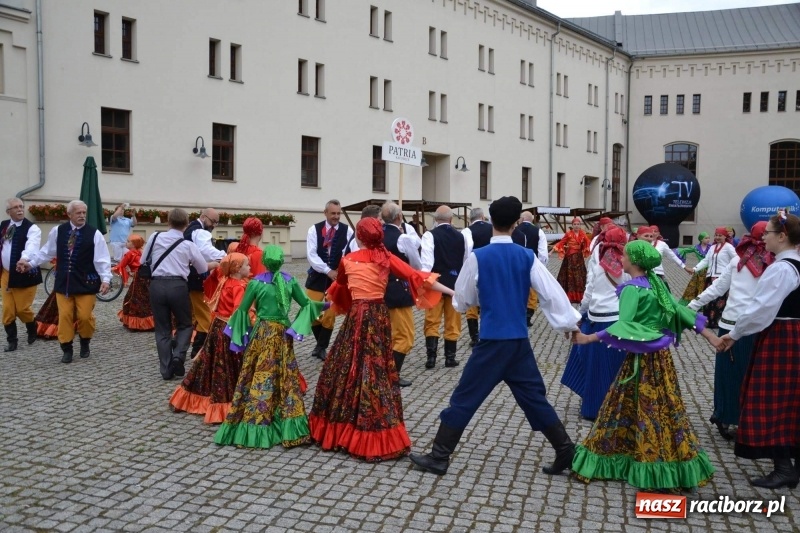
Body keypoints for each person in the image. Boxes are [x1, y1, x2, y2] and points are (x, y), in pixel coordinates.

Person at [409, 196, 582, 476]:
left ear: (491, 220)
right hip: (518, 343)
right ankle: (565, 450)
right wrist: (570, 325)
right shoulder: (526, 257)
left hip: (492, 342)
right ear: (516, 223)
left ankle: (440, 456)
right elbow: (551, 294)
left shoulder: (479, 257)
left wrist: (480, 295)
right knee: (534, 398)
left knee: (465, 396)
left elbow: (463, 300)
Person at [571, 240, 719, 491]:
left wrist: (588, 338)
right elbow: (679, 311)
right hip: (661, 359)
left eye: (626, 256)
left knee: (629, 406)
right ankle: (671, 458)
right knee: (664, 406)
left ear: (635, 262)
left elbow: (624, 325)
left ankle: (635, 458)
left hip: (640, 360)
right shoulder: (656, 283)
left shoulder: (632, 289)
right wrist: (711, 336)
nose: (622, 259)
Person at [309, 218, 453, 462]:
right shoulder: (386, 258)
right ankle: (369, 426)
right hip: (377, 317)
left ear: (360, 238)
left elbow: (341, 287)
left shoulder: (348, 260)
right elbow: (418, 276)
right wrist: (453, 291)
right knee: (374, 369)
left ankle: (339, 424)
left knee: (347, 364)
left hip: (356, 316)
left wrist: (331, 304)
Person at [718, 211, 800, 489]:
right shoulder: (795, 264)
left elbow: (760, 309)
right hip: (793, 334)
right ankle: (791, 464)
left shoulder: (782, 268)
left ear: (782, 236)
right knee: (792, 398)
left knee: (772, 397)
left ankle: (783, 468)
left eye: (768, 232)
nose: (763, 237)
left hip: (782, 335)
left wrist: (735, 333)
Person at [214, 245, 326, 449]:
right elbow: (307, 304)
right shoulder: (290, 281)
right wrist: (321, 307)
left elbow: (242, 311)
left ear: (264, 262)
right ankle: (289, 423)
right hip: (283, 335)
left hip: (262, 333)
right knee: (285, 376)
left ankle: (256, 424)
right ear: (282, 261)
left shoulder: (255, 283)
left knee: (259, 374)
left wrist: (238, 335)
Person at [689, 222, 773, 440]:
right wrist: (692, 305)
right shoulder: (772, 263)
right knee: (750, 375)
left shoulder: (739, 259)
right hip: (753, 326)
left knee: (729, 373)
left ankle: (725, 416)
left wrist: (692, 305)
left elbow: (717, 288)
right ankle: (740, 419)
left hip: (731, 324)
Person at [18, 200, 111, 363]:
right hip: (64, 283)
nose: (82, 216)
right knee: (65, 316)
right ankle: (66, 347)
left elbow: (102, 259)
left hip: (86, 283)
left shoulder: (94, 234)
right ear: (69, 214)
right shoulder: (58, 231)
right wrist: (30, 264)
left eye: (84, 213)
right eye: (78, 213)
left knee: (84, 316)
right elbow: (47, 252)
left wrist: (106, 279)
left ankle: (85, 341)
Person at [170, 253, 250, 424]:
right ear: (237, 269)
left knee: (211, 361)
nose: (249, 268)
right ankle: (224, 403)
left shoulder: (225, 281)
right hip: (229, 329)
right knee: (227, 363)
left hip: (217, 327)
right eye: (246, 266)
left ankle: (195, 394)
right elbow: (238, 311)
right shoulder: (238, 287)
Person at [561, 227, 629, 421]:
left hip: (595, 319)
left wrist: (580, 313)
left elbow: (588, 294)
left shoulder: (599, 265)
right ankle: (615, 408)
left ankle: (593, 407)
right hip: (616, 321)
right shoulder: (627, 266)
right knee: (613, 368)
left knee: (594, 367)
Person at [142, 208, 217, 380]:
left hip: (156, 284)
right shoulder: (188, 245)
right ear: (186, 224)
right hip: (178, 286)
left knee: (162, 329)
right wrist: (216, 263)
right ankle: (178, 356)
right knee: (184, 324)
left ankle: (166, 369)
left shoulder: (154, 237)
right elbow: (202, 268)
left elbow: (142, 261)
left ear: (168, 222)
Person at [381, 201, 422, 387]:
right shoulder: (402, 238)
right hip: (398, 290)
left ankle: (385, 371)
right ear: (399, 217)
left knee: (388, 334)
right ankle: (392, 375)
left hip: (380, 289)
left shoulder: (376, 235)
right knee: (404, 336)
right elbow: (415, 265)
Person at [421, 205, 468, 369]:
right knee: (453, 322)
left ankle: (431, 358)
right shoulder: (462, 236)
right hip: (455, 283)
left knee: (432, 321)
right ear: (451, 219)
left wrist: (425, 282)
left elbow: (426, 265)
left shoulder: (429, 235)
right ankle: (450, 357)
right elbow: (465, 261)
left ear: (435, 220)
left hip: (435, 283)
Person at [305, 199, 353, 360]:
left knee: (329, 314)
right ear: (325, 213)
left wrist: (341, 268)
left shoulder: (347, 231)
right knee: (312, 313)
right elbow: (311, 254)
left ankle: (321, 347)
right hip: (317, 278)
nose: (336, 216)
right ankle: (320, 346)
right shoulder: (314, 229)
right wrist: (327, 270)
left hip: (336, 280)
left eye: (339, 213)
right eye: (333, 213)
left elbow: (350, 251)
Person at [1, 197, 42, 352]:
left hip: (24, 273)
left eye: (21, 206)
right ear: (8, 212)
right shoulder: (4, 226)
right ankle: (12, 340)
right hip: (6, 274)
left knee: (22, 309)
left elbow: (32, 246)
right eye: (16, 207)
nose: (19, 209)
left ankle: (32, 326)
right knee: (8, 310)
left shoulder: (32, 228)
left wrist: (24, 259)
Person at [185, 208, 226, 358]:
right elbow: (206, 250)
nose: (214, 225)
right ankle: (198, 351)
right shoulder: (200, 232)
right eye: (213, 221)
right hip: (195, 279)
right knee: (204, 316)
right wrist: (226, 256)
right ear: (203, 217)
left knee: (193, 316)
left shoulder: (190, 229)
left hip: (186, 277)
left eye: (216, 222)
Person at [687, 227, 736, 329]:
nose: (717, 237)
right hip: (710, 276)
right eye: (716, 235)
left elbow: (736, 260)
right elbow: (706, 260)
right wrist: (695, 269)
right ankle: (708, 320)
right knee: (708, 300)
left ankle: (716, 321)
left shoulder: (729, 247)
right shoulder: (712, 247)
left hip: (722, 277)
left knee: (719, 301)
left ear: (725, 236)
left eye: (720, 235)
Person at [512, 211, 550, 327]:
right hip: (532, 264)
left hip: (516, 265)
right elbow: (543, 253)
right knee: (532, 292)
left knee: (517, 289)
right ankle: (528, 316)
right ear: (532, 220)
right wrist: (541, 267)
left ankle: (517, 313)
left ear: (522, 219)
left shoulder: (514, 231)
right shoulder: (539, 232)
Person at [461, 208, 493, 346]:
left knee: (472, 305)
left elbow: (467, 252)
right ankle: (488, 334)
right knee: (488, 302)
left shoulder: (467, 231)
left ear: (470, 218)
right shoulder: (492, 228)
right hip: (491, 270)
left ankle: (475, 337)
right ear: (482, 217)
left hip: (473, 269)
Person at [115, 234, 154, 331]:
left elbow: (121, 265)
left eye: (128, 241)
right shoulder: (143, 252)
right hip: (147, 279)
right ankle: (150, 323)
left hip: (138, 279)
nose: (126, 243)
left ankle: (136, 323)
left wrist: (113, 269)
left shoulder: (130, 254)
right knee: (147, 299)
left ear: (134, 244)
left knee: (133, 299)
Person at [550, 217, 591, 303]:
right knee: (570, 276)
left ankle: (580, 295)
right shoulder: (568, 234)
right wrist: (551, 251)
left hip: (579, 258)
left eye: (578, 224)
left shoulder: (583, 234)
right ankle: (568, 295)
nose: (576, 226)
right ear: (572, 225)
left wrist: (594, 248)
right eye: (575, 224)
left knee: (579, 276)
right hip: (570, 258)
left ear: (580, 225)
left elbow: (588, 242)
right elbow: (561, 243)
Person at [675, 232, 711, 304]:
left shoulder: (711, 247)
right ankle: (692, 302)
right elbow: (684, 250)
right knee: (694, 287)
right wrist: (676, 256)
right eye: (706, 238)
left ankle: (705, 303)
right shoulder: (696, 247)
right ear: (701, 239)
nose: (708, 240)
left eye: (709, 238)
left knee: (706, 287)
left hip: (709, 270)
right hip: (699, 270)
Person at [650, 225, 687, 291]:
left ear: (658, 233)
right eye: (651, 231)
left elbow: (672, 256)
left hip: (658, 272)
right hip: (645, 272)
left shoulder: (662, 244)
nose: (653, 233)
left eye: (655, 231)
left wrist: (684, 267)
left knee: (662, 293)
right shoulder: (644, 243)